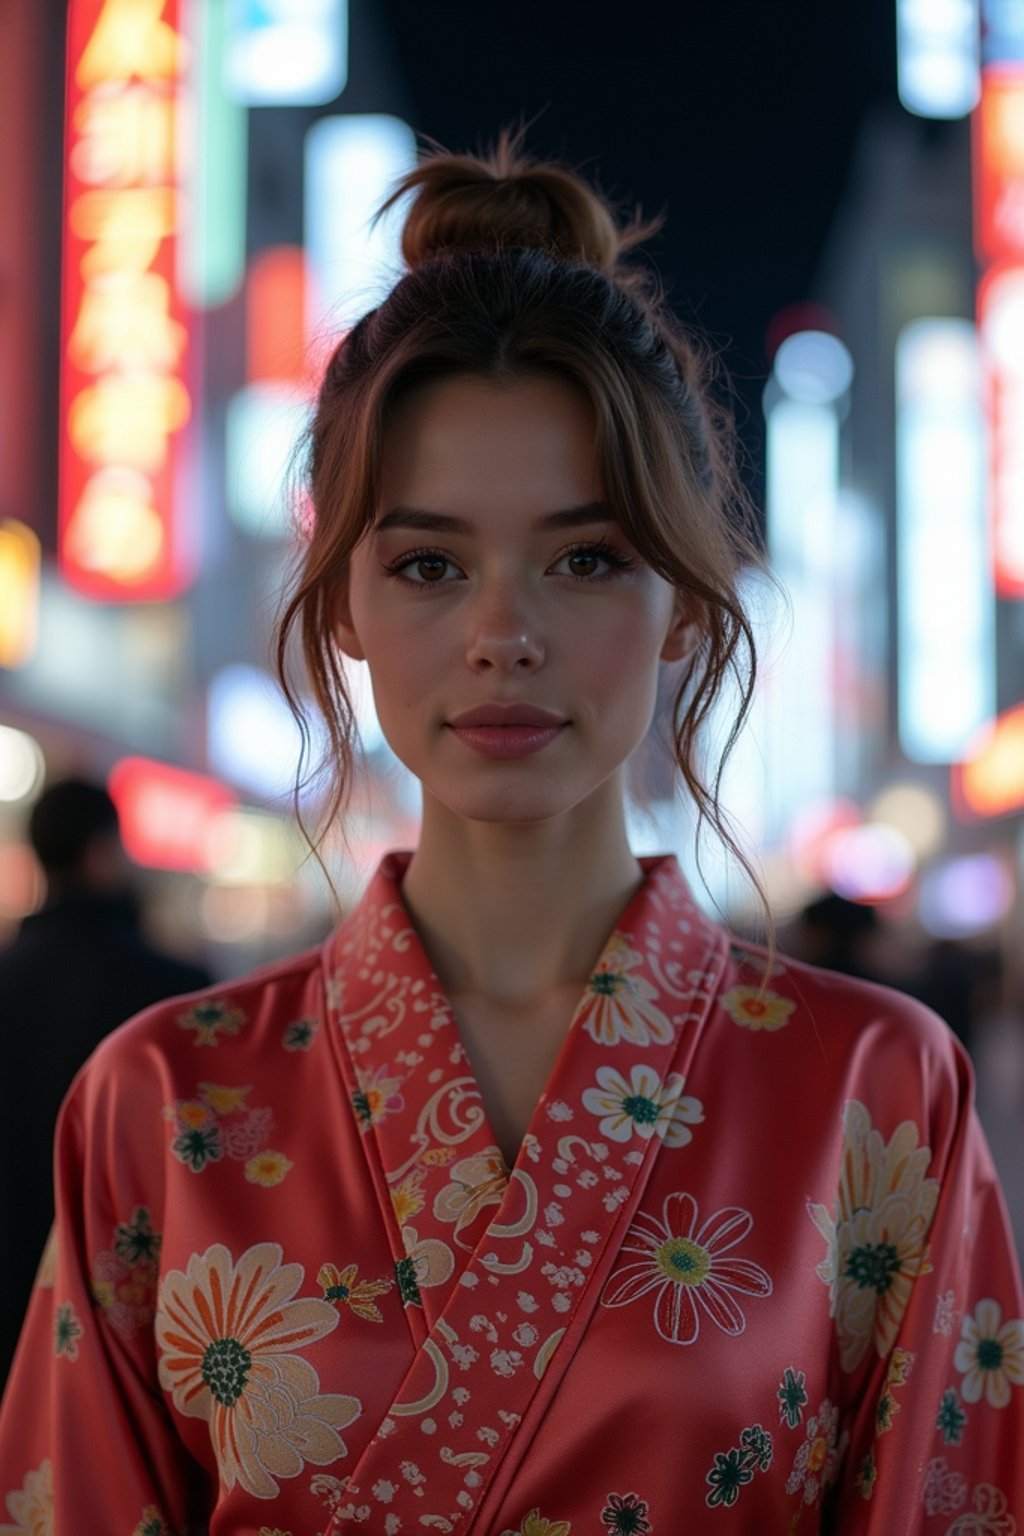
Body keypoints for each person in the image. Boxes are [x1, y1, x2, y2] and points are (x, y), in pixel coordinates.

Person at [1, 133, 1021, 1534]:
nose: (503, 637)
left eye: (586, 558)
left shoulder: (878, 1090)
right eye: (428, 564)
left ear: (683, 601)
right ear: (343, 605)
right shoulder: (163, 1106)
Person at [0, 777, 211, 1389]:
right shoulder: (175, 990)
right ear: (102, 852)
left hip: (12, 1293)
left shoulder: (7, 982)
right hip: (140, 1316)